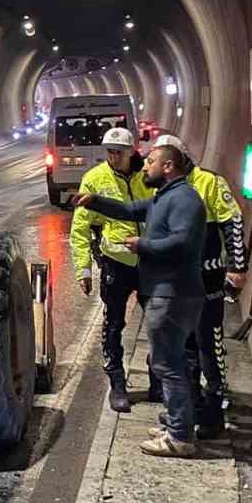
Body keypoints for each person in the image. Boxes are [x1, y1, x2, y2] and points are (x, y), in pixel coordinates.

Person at [77, 142, 206, 457]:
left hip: (173, 292)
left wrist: (143, 246)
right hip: (167, 291)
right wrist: (94, 202)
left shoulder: (184, 199)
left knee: (169, 364)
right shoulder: (163, 197)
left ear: (168, 167)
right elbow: (127, 210)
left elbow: (182, 242)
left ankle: (179, 437)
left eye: (150, 162)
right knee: (170, 361)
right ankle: (178, 423)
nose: (144, 166)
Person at [159, 135, 248, 439]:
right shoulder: (165, 189)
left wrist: (237, 266)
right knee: (183, 349)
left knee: (208, 345)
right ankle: (190, 406)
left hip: (206, 279)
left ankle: (214, 410)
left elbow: (233, 220)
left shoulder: (209, 183)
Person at [69, 127, 153, 413]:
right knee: (114, 324)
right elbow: (80, 228)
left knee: (158, 322)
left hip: (151, 260)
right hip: (116, 262)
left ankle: (158, 381)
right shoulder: (94, 179)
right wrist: (83, 270)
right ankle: (117, 384)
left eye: (119, 152)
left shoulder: (148, 176)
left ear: (132, 151)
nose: (114, 157)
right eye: (109, 152)